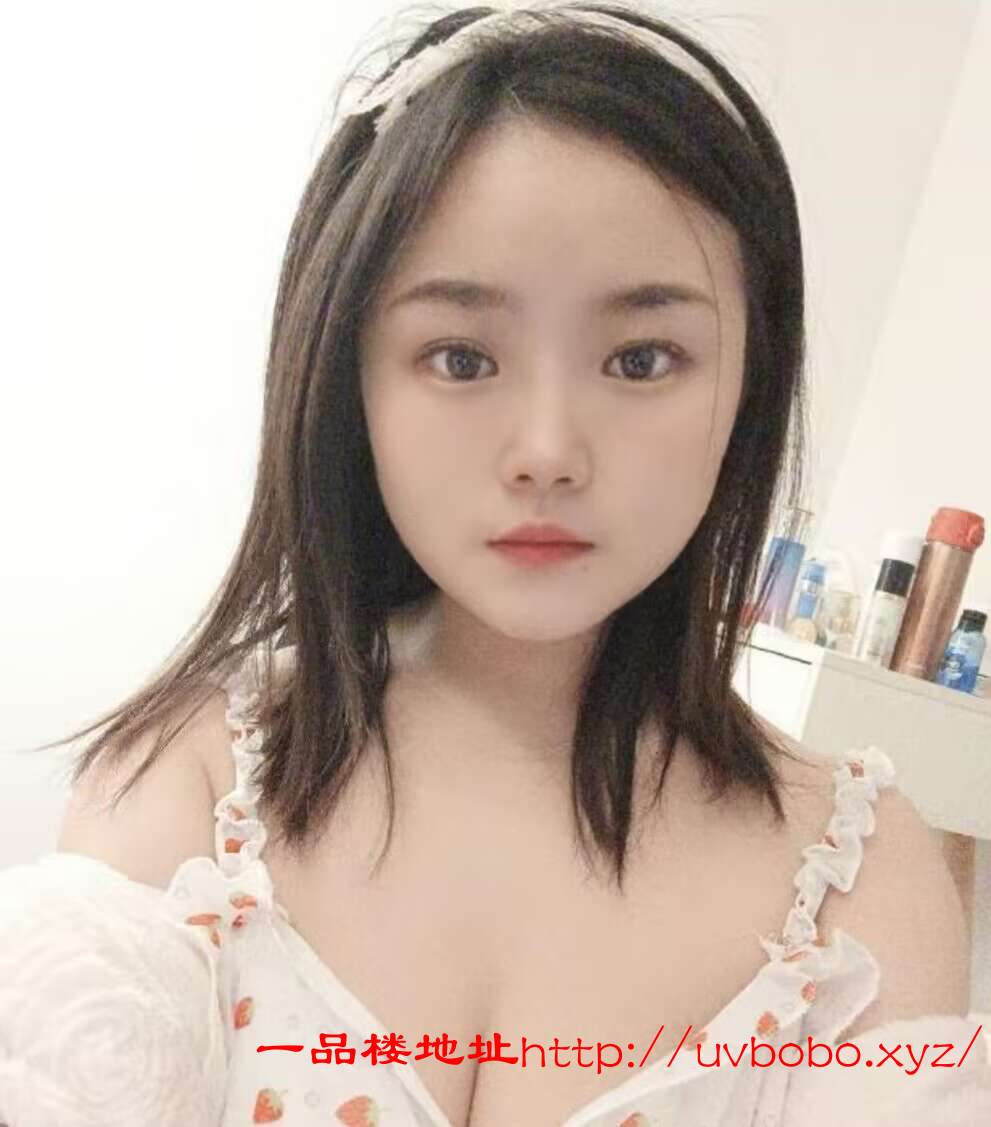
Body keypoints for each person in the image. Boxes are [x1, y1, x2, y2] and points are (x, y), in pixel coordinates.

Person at [1, 2, 988, 1125]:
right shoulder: (189, 786)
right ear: (346, 377)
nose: (548, 450)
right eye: (461, 357)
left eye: (642, 357)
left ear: (749, 382)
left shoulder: (863, 880)